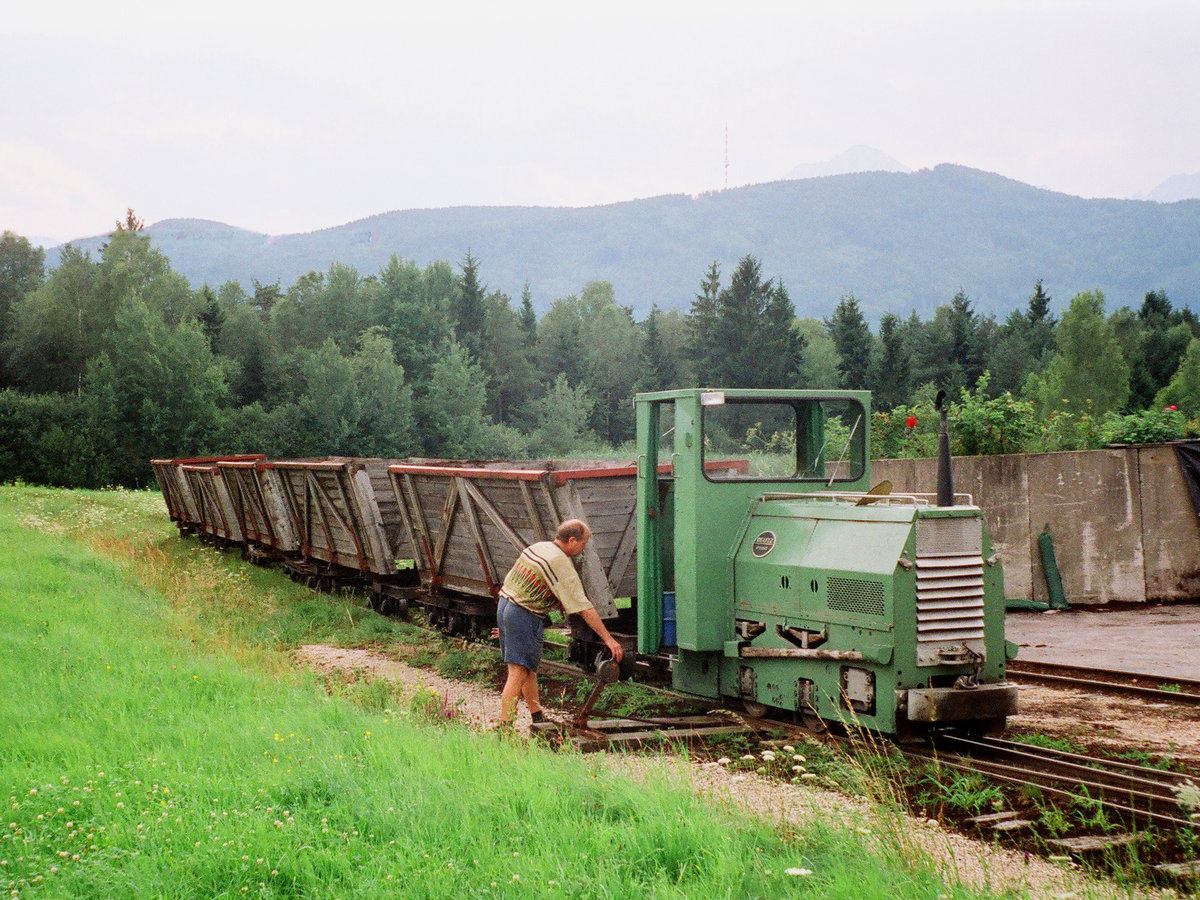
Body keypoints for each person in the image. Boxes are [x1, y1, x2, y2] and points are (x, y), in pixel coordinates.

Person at [496, 519, 624, 727]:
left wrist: (507, 623)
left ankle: (537, 715)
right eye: (583, 544)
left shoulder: (538, 547)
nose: (584, 549)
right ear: (572, 540)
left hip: (506, 605)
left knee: (528, 668)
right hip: (523, 614)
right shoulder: (560, 562)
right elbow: (584, 607)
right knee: (518, 672)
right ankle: (505, 728)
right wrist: (609, 639)